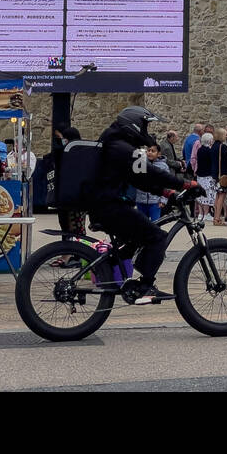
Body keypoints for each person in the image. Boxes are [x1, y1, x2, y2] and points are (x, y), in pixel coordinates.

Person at [83, 106, 194, 305]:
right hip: (110, 207)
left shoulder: (116, 144)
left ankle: (109, 266)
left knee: (138, 238)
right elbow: (150, 173)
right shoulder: (122, 147)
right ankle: (145, 285)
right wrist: (185, 183)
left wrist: (167, 193)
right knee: (158, 237)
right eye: (144, 124)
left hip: (105, 205)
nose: (145, 130)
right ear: (134, 124)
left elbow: (140, 180)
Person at [52, 124, 86, 238]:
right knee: (66, 226)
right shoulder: (64, 153)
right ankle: (68, 251)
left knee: (75, 226)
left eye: (63, 138)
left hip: (75, 198)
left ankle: (76, 252)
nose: (62, 141)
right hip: (66, 197)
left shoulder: (79, 153)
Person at [133, 142, 170, 220]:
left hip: (155, 202)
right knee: (142, 224)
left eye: (153, 151)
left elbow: (167, 184)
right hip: (141, 200)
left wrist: (163, 200)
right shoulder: (141, 164)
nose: (150, 153)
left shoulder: (163, 167)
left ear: (159, 154)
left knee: (155, 224)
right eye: (148, 150)